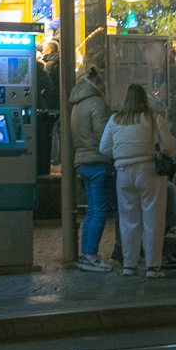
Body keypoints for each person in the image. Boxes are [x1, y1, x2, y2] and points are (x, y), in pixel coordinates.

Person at [99, 83, 176, 277]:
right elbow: (168, 147)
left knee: (128, 221)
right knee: (153, 219)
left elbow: (103, 148)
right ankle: (153, 266)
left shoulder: (115, 119)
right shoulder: (153, 117)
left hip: (123, 173)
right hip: (149, 171)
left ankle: (129, 265)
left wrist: (121, 154)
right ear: (144, 98)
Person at [70, 68, 116, 270]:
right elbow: (103, 134)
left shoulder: (78, 105)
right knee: (100, 210)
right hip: (97, 161)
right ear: (97, 84)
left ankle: (85, 253)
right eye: (104, 85)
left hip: (82, 161)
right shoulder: (97, 103)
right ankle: (91, 255)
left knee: (92, 210)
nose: (106, 89)